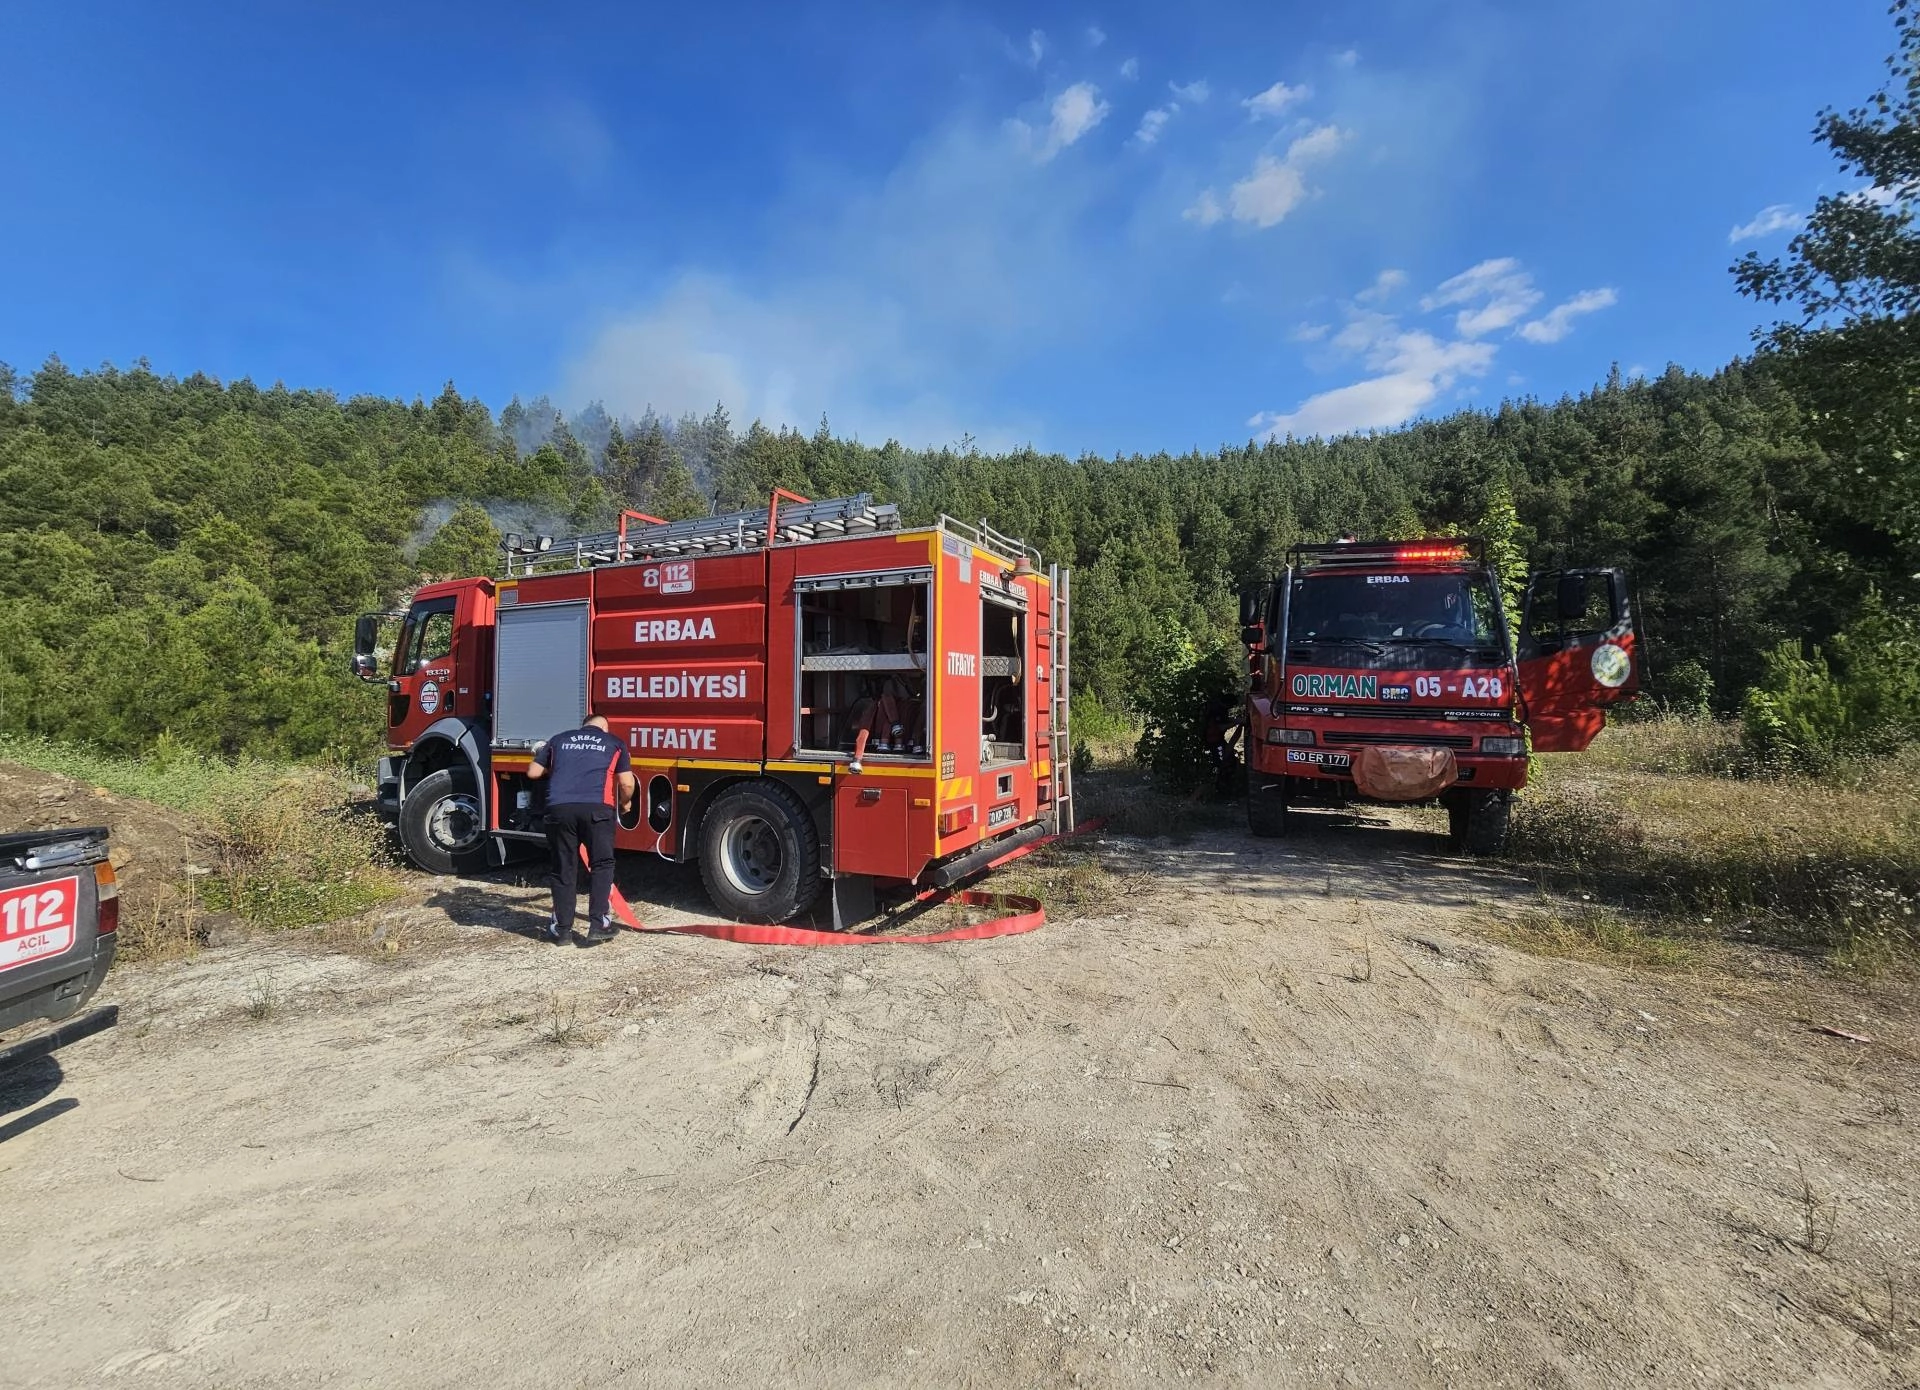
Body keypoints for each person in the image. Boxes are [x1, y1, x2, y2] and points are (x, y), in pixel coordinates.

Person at [526, 714, 636, 943]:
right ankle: (598, 925)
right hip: (597, 809)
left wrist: (555, 770)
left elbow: (533, 773)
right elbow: (626, 782)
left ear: (583, 725)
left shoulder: (557, 740)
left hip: (560, 810)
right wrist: (626, 804)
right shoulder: (614, 743)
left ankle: (562, 930)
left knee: (564, 868)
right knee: (601, 865)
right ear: (604, 727)